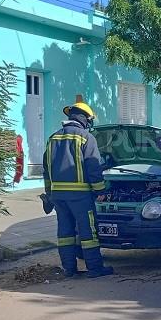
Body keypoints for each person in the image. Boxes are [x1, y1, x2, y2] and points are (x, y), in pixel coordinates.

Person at [42, 102, 114, 278]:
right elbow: (93, 167)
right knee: (88, 232)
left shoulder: (53, 138)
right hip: (80, 196)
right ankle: (95, 268)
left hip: (58, 196)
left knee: (65, 233)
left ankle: (69, 269)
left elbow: (46, 169)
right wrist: (100, 190)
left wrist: (50, 194)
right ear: (85, 118)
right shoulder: (85, 137)